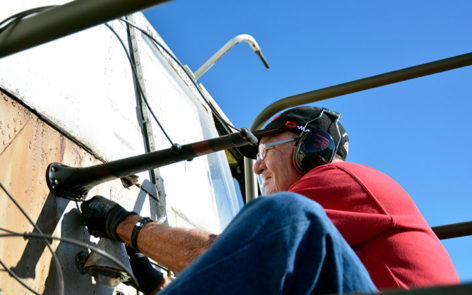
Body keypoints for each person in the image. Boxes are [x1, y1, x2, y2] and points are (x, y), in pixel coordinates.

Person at [80, 106, 457, 294]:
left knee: (289, 215)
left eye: (265, 150)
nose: (257, 167)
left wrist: (125, 225)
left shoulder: (336, 177)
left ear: (309, 149)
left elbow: (224, 253)